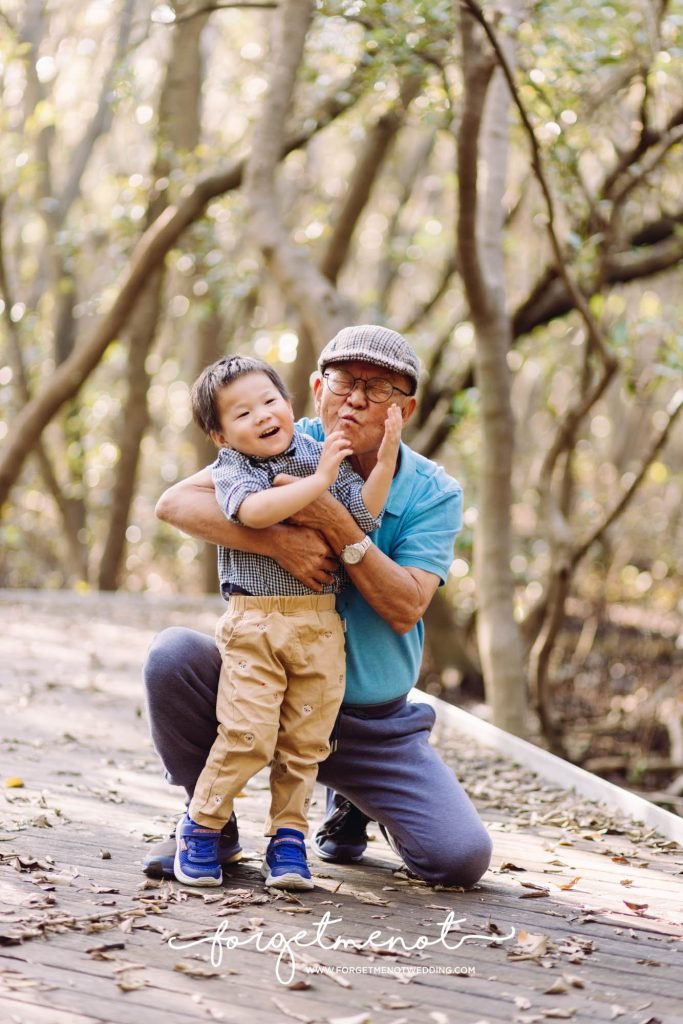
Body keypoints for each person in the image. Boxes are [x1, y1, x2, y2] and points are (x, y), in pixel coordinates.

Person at [144, 325, 492, 889]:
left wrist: (335, 523)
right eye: (344, 381)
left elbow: (406, 607)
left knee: (459, 859)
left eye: (379, 388)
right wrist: (278, 541)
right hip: (260, 686)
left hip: (367, 723)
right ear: (315, 387)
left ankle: (352, 798)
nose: (356, 398)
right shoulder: (276, 439)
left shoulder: (434, 491)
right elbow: (174, 502)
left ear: (407, 407)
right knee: (173, 657)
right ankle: (211, 827)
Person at [174, 355, 401, 889]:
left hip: (320, 627)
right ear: (219, 434)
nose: (262, 416)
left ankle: (288, 839)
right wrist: (321, 478)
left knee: (305, 744)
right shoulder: (234, 467)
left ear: (291, 404)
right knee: (248, 734)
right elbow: (253, 512)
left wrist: (385, 462)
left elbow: (360, 519)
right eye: (242, 412)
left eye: (269, 401)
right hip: (257, 625)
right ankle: (201, 826)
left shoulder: (317, 454)